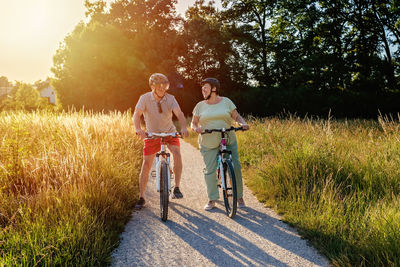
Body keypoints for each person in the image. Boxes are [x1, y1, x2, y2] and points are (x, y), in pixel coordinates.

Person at [191, 78, 250, 211]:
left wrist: (242, 123)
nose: (203, 90)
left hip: (227, 137)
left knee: (235, 167)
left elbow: (237, 116)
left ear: (214, 89)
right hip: (208, 140)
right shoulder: (200, 105)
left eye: (205, 87)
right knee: (210, 170)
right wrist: (195, 128)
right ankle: (212, 199)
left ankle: (239, 196)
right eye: (202, 88)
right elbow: (194, 122)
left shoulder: (226, 102)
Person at [133, 73, 189, 210]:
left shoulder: (171, 98)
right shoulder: (144, 98)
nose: (163, 88)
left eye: (165, 85)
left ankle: (176, 187)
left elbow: (179, 113)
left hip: (169, 132)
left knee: (177, 154)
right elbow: (136, 114)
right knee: (146, 164)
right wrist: (138, 129)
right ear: (153, 87)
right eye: (159, 86)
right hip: (152, 134)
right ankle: (142, 197)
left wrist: (183, 127)